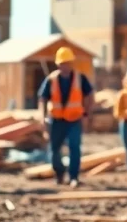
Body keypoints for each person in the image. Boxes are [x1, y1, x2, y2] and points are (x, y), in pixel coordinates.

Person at [37, 47, 94, 188]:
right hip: (56, 120)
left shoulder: (80, 78)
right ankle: (59, 174)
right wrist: (42, 118)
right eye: (63, 63)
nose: (65, 66)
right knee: (54, 150)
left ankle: (73, 177)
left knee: (74, 148)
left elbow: (90, 95)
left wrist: (86, 113)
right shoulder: (51, 80)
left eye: (67, 63)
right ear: (58, 64)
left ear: (71, 63)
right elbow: (42, 99)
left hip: (74, 119)